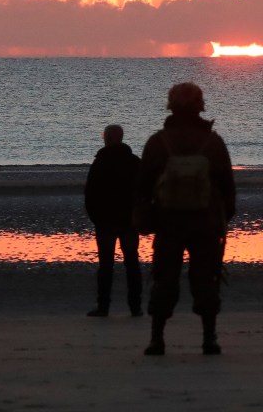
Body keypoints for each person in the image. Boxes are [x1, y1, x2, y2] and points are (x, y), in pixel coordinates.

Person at [136, 82, 236, 356]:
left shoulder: (158, 142)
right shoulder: (212, 142)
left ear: (171, 105)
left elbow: (143, 186)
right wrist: (221, 219)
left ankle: (157, 338)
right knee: (206, 278)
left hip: (169, 223)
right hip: (205, 223)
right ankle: (209, 337)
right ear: (200, 106)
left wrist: (147, 219)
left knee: (163, 278)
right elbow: (228, 187)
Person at [84, 124, 143, 317]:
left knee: (107, 265)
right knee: (132, 263)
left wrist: (95, 217)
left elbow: (90, 193)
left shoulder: (101, 162)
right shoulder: (134, 161)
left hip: (107, 220)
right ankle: (135, 307)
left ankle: (104, 307)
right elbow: (144, 190)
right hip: (127, 220)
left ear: (107, 138)